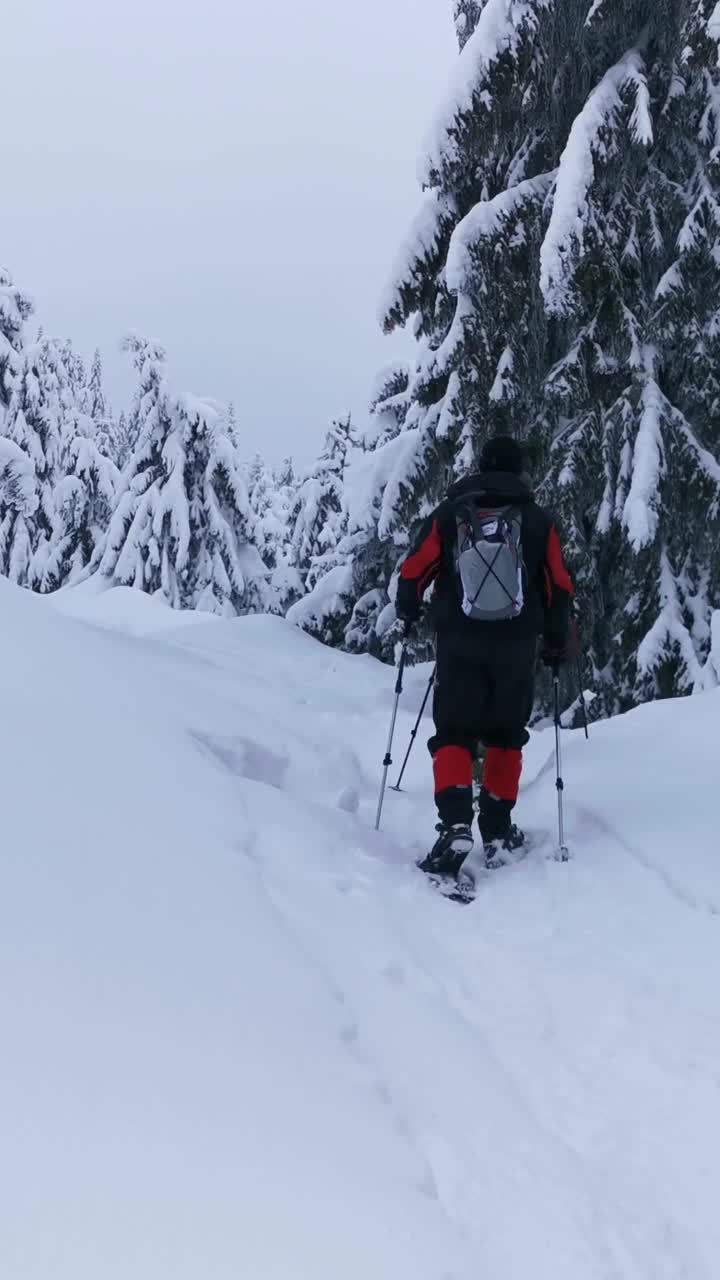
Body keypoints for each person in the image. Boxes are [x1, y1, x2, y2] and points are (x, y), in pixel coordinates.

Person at [395, 435, 573, 877]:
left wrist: (409, 608)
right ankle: (497, 828)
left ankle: (455, 821)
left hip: (459, 642)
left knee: (454, 732)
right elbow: (558, 588)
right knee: (505, 735)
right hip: (515, 645)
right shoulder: (536, 520)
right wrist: (555, 642)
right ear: (517, 472)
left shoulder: (451, 515)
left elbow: (414, 570)